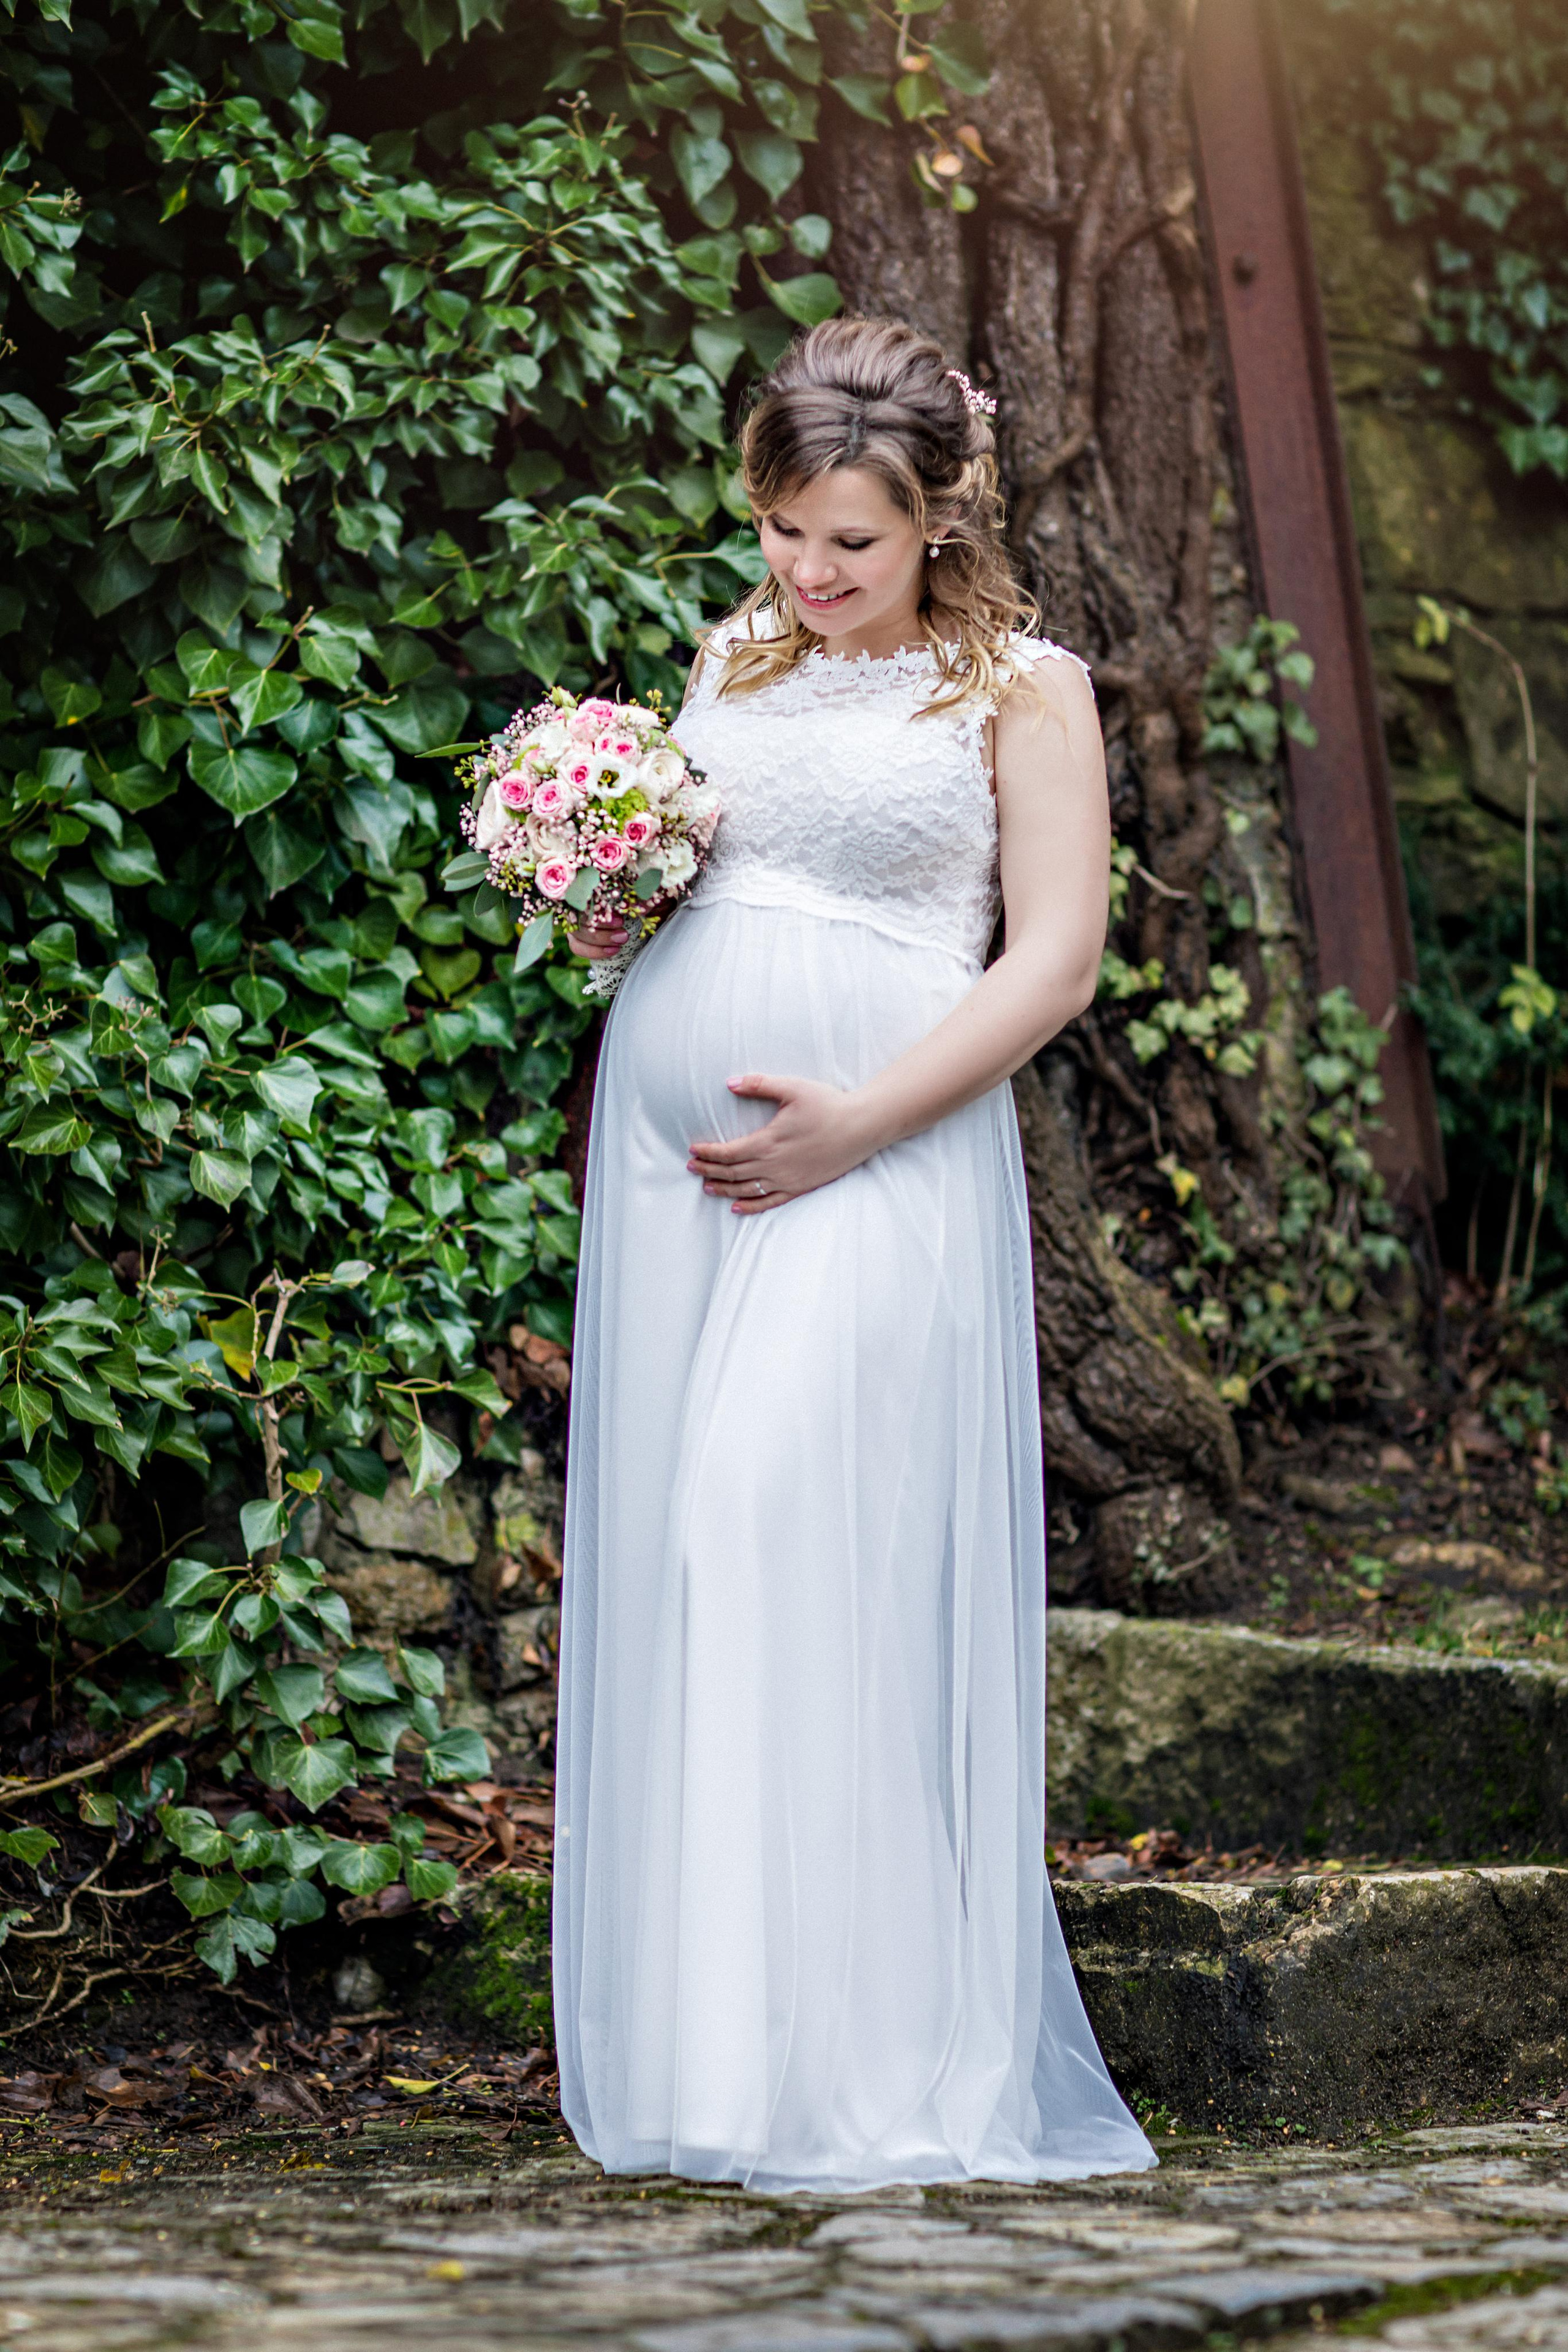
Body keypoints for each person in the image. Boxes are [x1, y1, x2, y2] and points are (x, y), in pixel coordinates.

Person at [552, 315, 1156, 2191]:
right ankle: (732, 2069)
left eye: (852, 545)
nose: (808, 575)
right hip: (684, 1183)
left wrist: (854, 1126)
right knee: (698, 1560)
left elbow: (1051, 964)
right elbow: (695, 870)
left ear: (940, 526)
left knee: (774, 1516)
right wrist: (591, 890)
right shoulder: (733, 652)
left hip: (885, 1154)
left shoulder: (1024, 690)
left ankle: (883, 2056)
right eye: (785, 530)